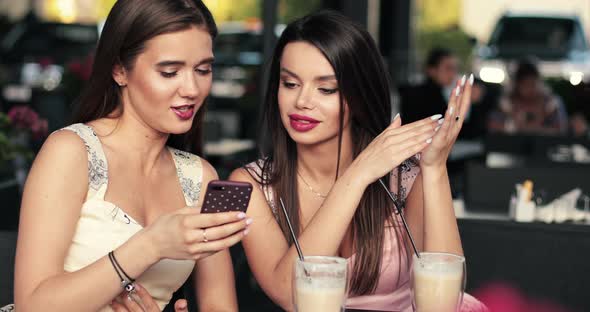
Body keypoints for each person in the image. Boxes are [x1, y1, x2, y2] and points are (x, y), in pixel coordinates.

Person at [229, 11, 486, 311]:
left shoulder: (403, 178)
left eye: (326, 88)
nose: (302, 101)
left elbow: (445, 301)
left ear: (359, 94)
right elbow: (290, 295)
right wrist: (358, 174)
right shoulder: (249, 186)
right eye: (290, 84)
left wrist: (434, 168)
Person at [12, 1, 251, 311]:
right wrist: (151, 245)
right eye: (169, 72)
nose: (192, 88)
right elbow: (32, 305)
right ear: (120, 70)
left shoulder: (199, 177)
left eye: (203, 69)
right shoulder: (72, 153)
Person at [488, 60, 568, 135]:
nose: (530, 89)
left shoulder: (551, 103)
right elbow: (492, 127)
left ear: (539, 82)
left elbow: (560, 130)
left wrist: (522, 128)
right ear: (517, 85)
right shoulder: (505, 103)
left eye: (533, 84)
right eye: (525, 85)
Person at [400, 47, 459, 124]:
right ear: (432, 70)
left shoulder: (439, 93)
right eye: (448, 68)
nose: (452, 73)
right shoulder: (419, 96)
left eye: (454, 68)